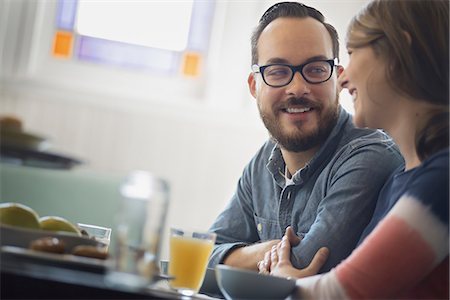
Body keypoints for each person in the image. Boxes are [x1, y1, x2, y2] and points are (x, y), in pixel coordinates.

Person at [259, 0, 449, 298]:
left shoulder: (442, 182)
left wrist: (284, 280)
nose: (343, 78)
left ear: (396, 55)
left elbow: (341, 292)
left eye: (352, 52)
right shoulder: (401, 181)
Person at [208, 2, 404, 273]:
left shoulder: (370, 156)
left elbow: (306, 264)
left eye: (315, 69)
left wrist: (241, 258)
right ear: (255, 86)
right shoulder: (264, 161)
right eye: (277, 72)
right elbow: (204, 255)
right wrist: (266, 251)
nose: (297, 88)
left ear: (337, 79)